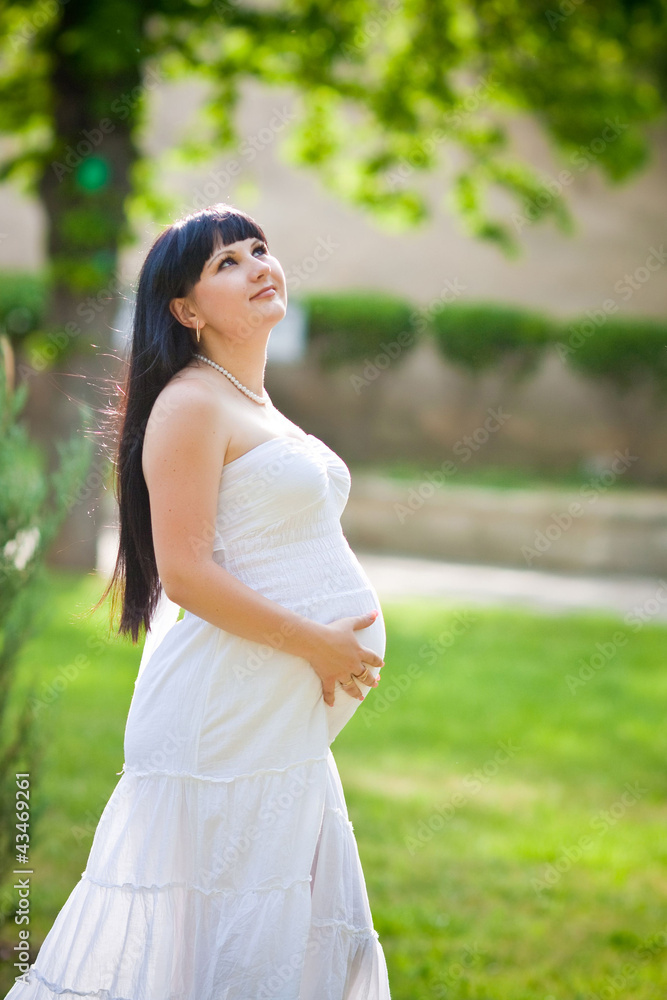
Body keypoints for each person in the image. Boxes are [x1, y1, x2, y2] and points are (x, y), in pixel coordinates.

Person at [6, 203, 391, 999]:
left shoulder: (250, 401)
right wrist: (315, 643)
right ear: (183, 310)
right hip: (223, 723)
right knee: (218, 937)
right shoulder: (189, 403)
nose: (257, 265)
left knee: (273, 929)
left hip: (274, 733)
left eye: (259, 248)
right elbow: (182, 573)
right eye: (226, 263)